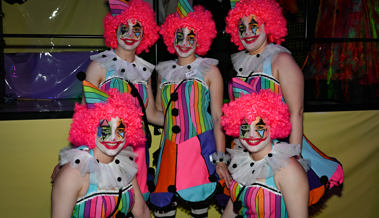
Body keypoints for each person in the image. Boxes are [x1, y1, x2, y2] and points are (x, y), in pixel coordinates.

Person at [225, 0, 343, 205]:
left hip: (280, 147)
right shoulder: (240, 65)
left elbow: (296, 112)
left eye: (254, 25)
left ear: (268, 24)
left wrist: (294, 157)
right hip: (249, 147)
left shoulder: (281, 61)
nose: (247, 32)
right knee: (250, 204)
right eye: (241, 27)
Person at [149, 5, 231, 217]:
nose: (184, 42)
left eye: (191, 36)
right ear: (171, 37)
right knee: (163, 207)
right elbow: (160, 114)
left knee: (199, 204)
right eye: (179, 35)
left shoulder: (210, 70)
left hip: (200, 149)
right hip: (168, 149)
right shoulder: (164, 72)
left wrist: (220, 158)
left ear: (200, 38)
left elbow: (217, 117)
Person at [83, 0, 163, 200]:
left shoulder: (144, 72)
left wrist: (188, 122)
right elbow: (86, 116)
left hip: (137, 150)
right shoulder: (99, 66)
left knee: (137, 203)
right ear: (114, 29)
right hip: (108, 148)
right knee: (111, 202)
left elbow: (151, 114)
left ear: (145, 34)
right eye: (123, 28)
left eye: (136, 29)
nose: (129, 34)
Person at [51, 83, 150, 218]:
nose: (113, 137)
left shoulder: (124, 164)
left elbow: (142, 211)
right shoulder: (73, 174)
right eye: (105, 130)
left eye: (120, 130)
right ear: (90, 129)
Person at [221, 90, 309, 218]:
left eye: (260, 128)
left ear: (273, 127)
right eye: (245, 127)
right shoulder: (242, 161)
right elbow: (232, 209)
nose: (252, 135)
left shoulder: (288, 169)